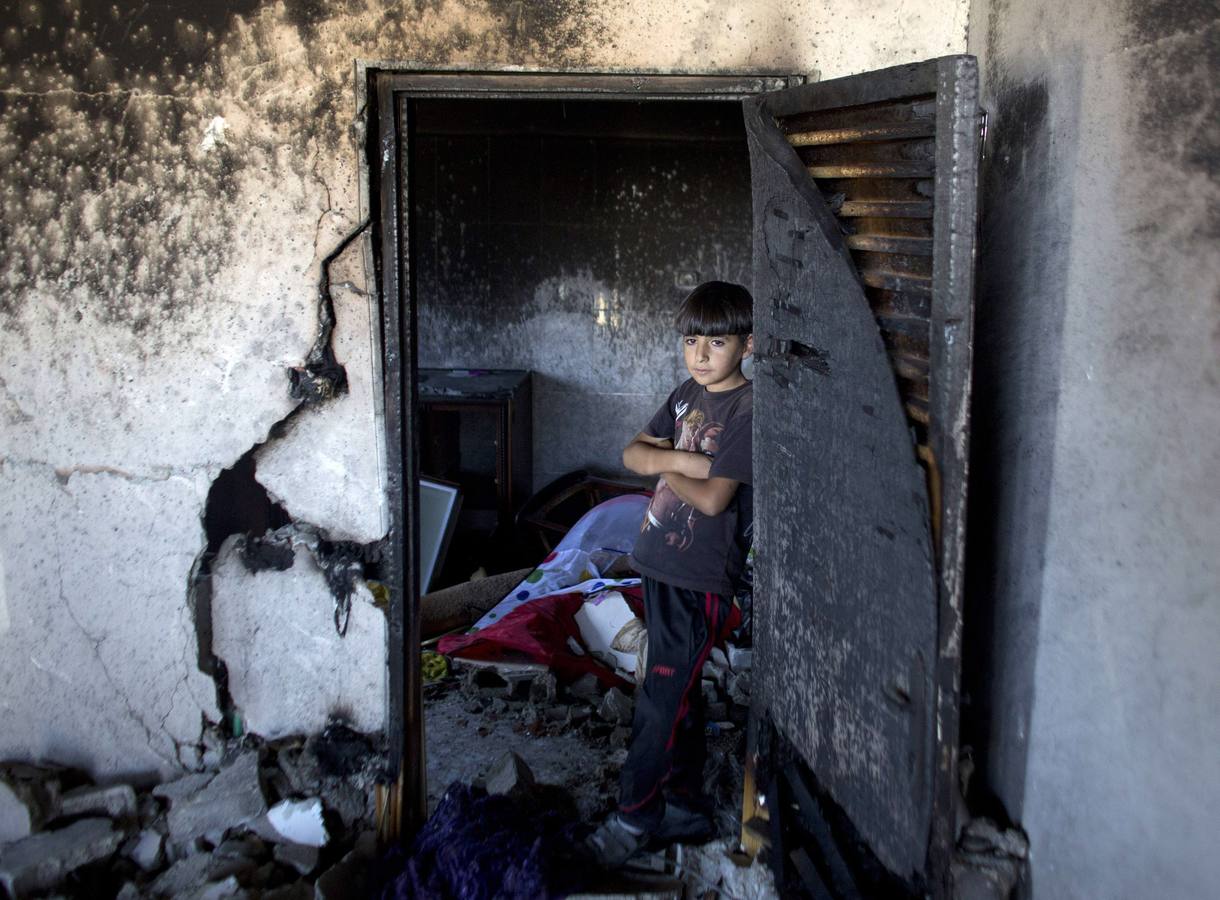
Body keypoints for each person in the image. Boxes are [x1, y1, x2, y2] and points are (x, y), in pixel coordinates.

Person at [585, 280, 754, 868]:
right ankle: (685, 807)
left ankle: (634, 818)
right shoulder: (686, 394)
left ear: (748, 345)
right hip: (658, 563)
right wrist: (682, 460)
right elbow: (632, 455)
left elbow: (713, 502)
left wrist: (661, 468)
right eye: (691, 340)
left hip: (699, 578)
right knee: (675, 691)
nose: (701, 355)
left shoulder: (748, 408)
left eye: (717, 341)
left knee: (660, 696)